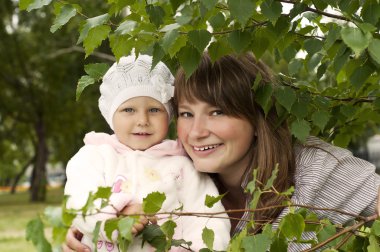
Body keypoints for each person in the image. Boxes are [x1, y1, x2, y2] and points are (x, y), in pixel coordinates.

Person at [64, 52, 380, 252]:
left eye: (217, 112)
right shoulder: (171, 174)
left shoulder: (311, 169)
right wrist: (87, 233)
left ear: (256, 118)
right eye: (187, 114)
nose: (198, 131)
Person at [64, 54, 230, 252]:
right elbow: (80, 200)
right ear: (110, 115)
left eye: (154, 110)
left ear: (168, 115)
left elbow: (209, 218)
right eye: (128, 110)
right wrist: (116, 217)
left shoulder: (181, 167)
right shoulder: (94, 157)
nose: (142, 120)